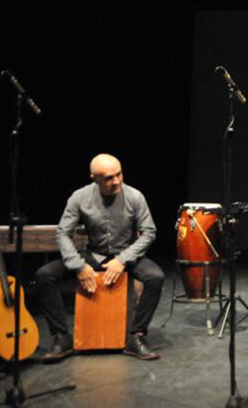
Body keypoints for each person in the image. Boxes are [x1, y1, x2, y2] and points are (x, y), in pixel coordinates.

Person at [33, 154, 164, 362]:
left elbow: (149, 232)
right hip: (92, 254)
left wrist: (122, 260)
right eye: (110, 178)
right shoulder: (79, 197)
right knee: (44, 275)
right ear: (94, 179)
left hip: (125, 254)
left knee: (155, 277)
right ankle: (62, 338)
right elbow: (62, 233)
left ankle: (135, 336)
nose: (117, 181)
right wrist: (78, 266)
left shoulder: (135, 196)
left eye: (119, 174)